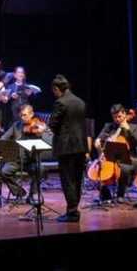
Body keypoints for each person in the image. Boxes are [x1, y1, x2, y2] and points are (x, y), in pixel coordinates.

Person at [47, 74, 88, 222]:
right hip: (81, 146)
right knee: (77, 179)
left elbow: (53, 124)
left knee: (68, 180)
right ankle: (74, 209)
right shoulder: (81, 102)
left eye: (54, 91)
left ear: (57, 88)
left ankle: (72, 213)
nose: (54, 94)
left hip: (66, 148)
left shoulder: (60, 102)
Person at [93, 104, 137, 203]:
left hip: (129, 157)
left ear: (124, 114)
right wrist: (98, 141)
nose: (117, 119)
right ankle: (105, 193)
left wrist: (128, 129)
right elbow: (100, 137)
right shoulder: (109, 126)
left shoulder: (133, 127)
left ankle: (120, 194)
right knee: (96, 168)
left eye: (119, 116)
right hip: (111, 156)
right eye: (115, 117)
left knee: (124, 168)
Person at [0, 104, 45, 203]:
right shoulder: (16, 125)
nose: (22, 117)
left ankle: (32, 195)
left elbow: (42, 145)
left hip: (31, 160)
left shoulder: (37, 126)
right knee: (4, 172)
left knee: (40, 169)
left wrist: (40, 134)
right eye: (21, 115)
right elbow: (3, 138)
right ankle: (19, 192)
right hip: (16, 160)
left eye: (25, 115)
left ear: (32, 114)